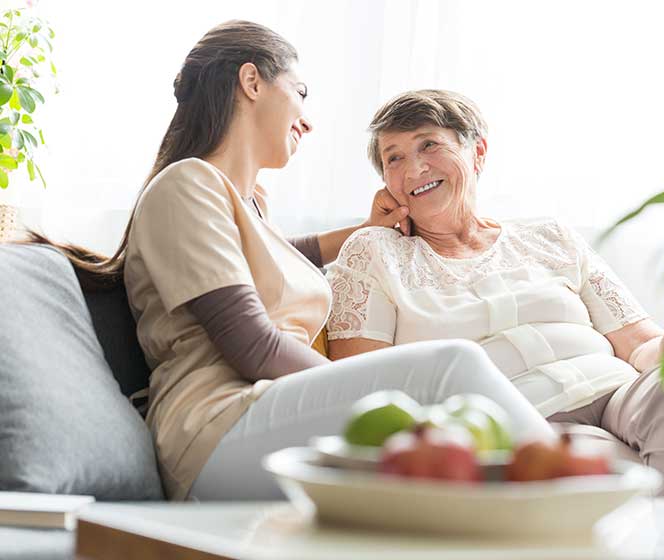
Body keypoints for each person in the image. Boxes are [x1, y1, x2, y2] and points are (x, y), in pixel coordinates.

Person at [27, 22, 556, 501]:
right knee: (449, 366)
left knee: (456, 450)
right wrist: (382, 386)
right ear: (252, 81)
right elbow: (252, 346)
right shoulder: (186, 185)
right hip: (216, 429)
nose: (308, 120)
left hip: (270, 412)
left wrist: (363, 230)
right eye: (301, 93)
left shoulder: (249, 204)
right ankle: (581, 488)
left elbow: (278, 258)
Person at [326, 89, 664, 496]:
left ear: (477, 153)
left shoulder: (551, 236)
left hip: (616, 393)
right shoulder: (373, 252)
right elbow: (366, 386)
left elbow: (638, 345)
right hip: (515, 417)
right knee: (593, 453)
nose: (414, 168)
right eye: (393, 158)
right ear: (385, 184)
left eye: (430, 146)